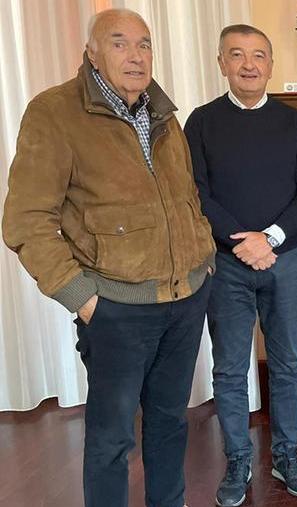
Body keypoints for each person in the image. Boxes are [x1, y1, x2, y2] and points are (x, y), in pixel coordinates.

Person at [2, 8, 215, 507]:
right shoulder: (54, 112)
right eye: (120, 43)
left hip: (183, 300)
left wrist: (204, 264)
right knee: (111, 440)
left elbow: (186, 199)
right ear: (93, 52)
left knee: (168, 425)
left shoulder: (162, 112)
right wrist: (84, 299)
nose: (136, 55)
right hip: (115, 310)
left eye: (144, 44)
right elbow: (26, 221)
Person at [184, 24, 297, 507]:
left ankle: (286, 455)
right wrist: (240, 242)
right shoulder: (201, 122)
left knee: (286, 363)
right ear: (221, 62)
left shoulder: (294, 122)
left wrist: (271, 238)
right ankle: (238, 460)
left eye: (259, 55)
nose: (249, 64)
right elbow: (196, 193)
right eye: (237, 55)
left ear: (270, 64)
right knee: (228, 368)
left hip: (285, 262)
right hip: (227, 267)